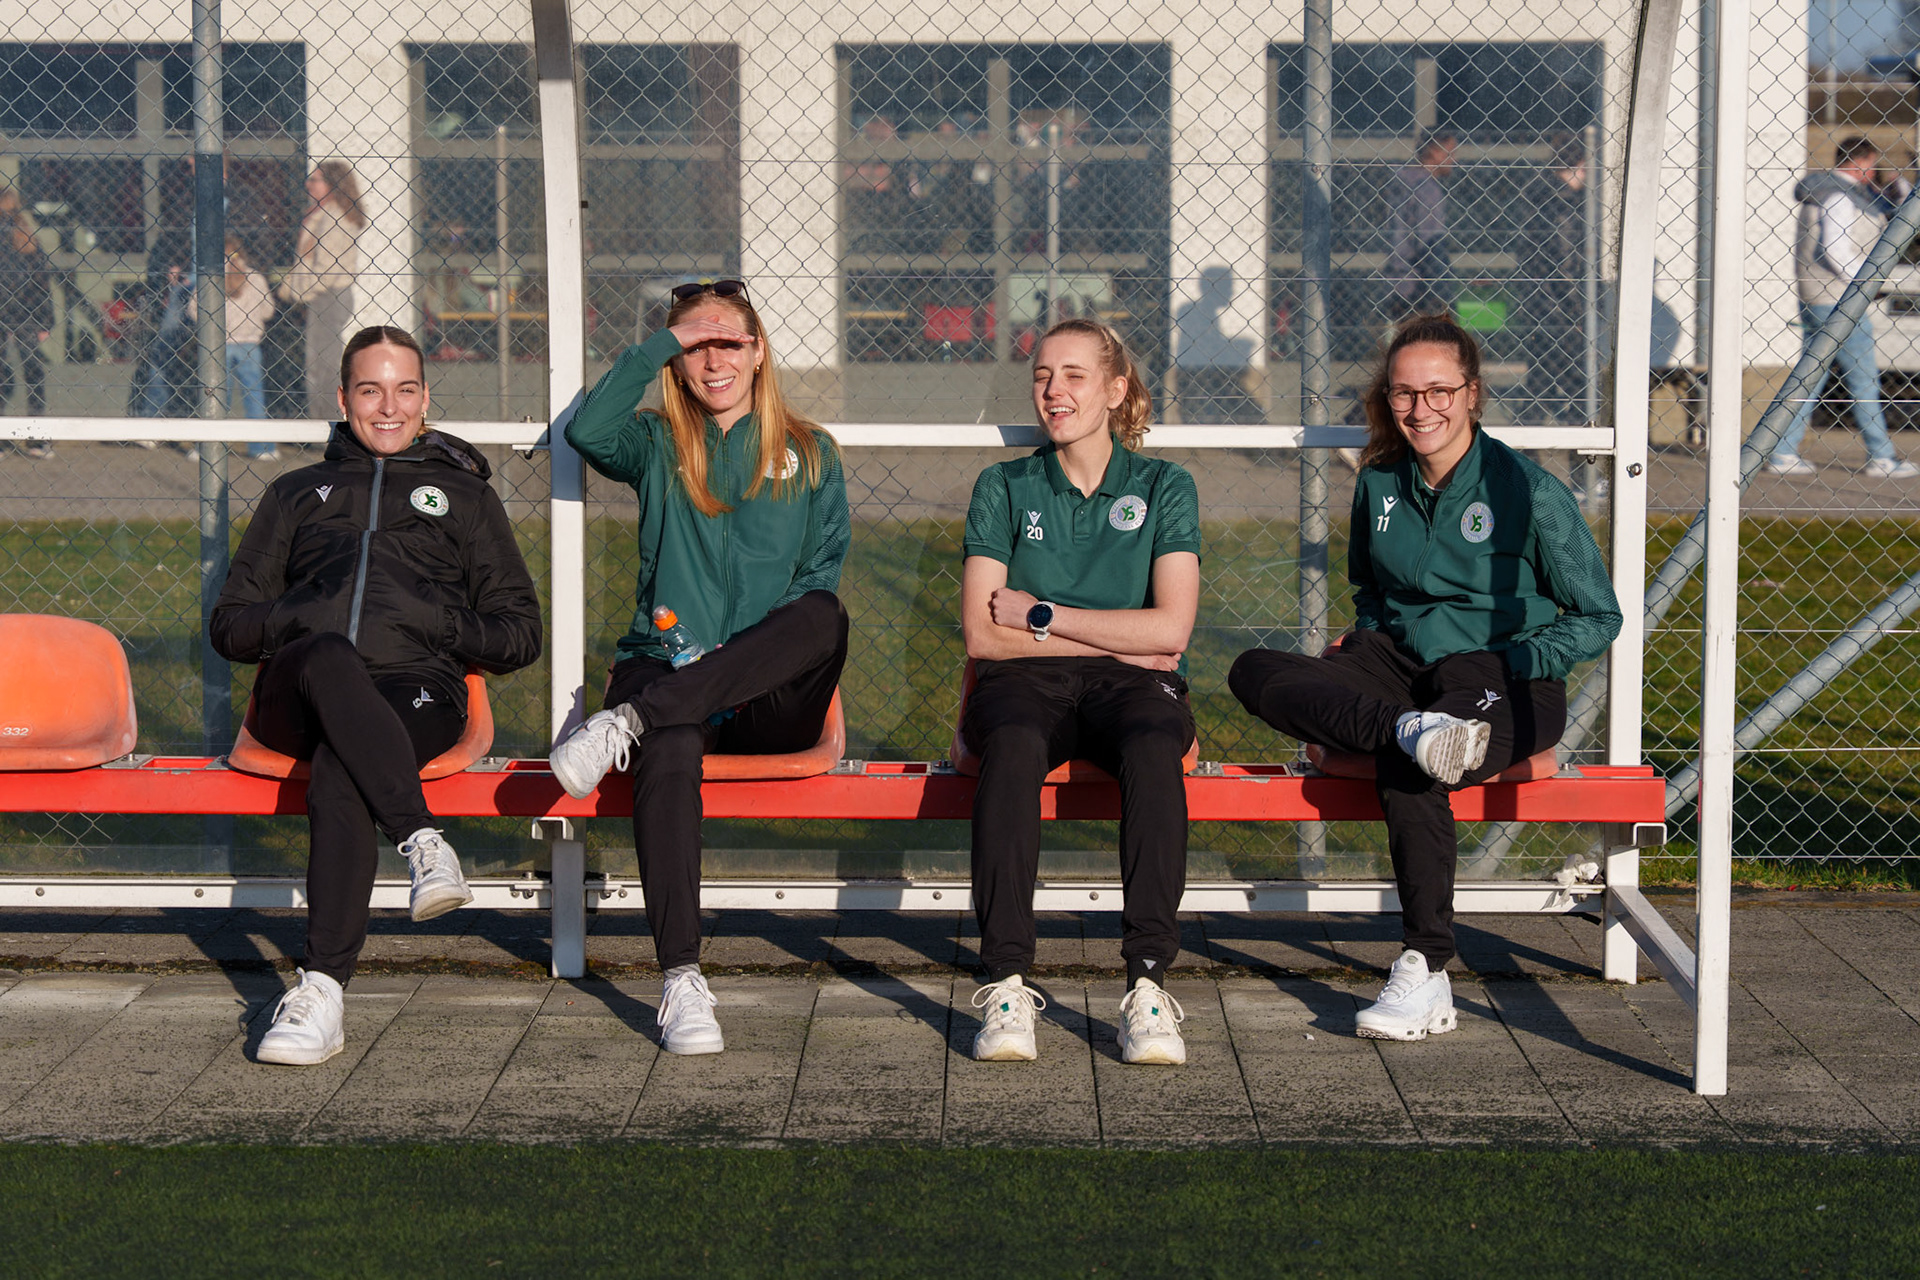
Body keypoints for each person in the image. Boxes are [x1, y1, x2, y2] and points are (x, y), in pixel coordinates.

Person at [1228, 314, 1620, 1042]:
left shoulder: (1527, 489)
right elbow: (1370, 591)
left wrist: (1518, 660)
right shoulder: (1379, 481)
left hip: (1502, 672)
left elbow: (1598, 616)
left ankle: (1425, 965)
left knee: (1418, 768)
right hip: (1404, 672)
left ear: (1472, 394)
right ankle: (1410, 728)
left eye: (1439, 390)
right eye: (1404, 393)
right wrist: (1368, 643)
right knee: (1255, 669)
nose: (1421, 408)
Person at [210, 325, 541, 1065]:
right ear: (343, 399)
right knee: (327, 654)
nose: (387, 407)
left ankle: (321, 993)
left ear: (425, 399)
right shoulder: (294, 492)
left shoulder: (466, 496)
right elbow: (230, 627)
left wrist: (430, 619)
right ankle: (423, 841)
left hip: (416, 691)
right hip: (300, 687)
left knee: (342, 765)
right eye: (370, 390)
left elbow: (520, 635)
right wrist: (308, 613)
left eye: (404, 390)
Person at [546, 278, 850, 1056]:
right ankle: (682, 978)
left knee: (824, 614)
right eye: (692, 345)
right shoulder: (654, 443)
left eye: (727, 341)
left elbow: (819, 576)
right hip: (663, 661)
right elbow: (588, 431)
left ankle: (628, 723)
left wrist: (730, 663)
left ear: (757, 352)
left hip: (765, 693)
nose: (711, 359)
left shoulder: (810, 451)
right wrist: (657, 346)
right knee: (674, 746)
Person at [959, 317, 1201, 1066]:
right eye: (1041, 376)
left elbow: (1173, 630)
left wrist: (1043, 613)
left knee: (1157, 746)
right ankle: (1005, 983)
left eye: (1072, 376)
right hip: (1021, 680)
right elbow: (981, 635)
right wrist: (1113, 631)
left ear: (1115, 389)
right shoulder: (1004, 484)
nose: (1052, 391)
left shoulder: (1164, 485)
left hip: (1130, 686)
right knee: (1013, 746)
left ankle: (1149, 985)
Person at [1772, 135, 1918, 478]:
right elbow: (1835, 249)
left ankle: (1781, 451)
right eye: (1872, 165)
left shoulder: (1827, 191)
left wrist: (1901, 192)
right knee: (1864, 378)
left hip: (1820, 296)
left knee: (1810, 376)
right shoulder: (1838, 195)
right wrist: (1867, 283)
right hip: (1839, 300)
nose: (1874, 172)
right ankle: (1881, 457)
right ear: (1862, 161)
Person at [279, 161, 366, 420]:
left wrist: (296, 292)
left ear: (332, 184)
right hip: (324, 295)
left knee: (322, 366)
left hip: (327, 296)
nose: (308, 184)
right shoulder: (324, 213)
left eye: (315, 180)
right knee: (319, 362)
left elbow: (325, 268)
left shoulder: (334, 217)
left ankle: (327, 425)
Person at [1518, 134, 1589, 429]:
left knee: (1542, 382)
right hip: (1560, 310)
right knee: (1573, 383)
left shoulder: (1540, 199)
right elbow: (1564, 265)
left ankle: (1525, 445)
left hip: (1541, 306)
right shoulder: (1564, 206)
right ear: (1581, 165)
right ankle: (1580, 449)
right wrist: (1577, 311)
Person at [1383, 130, 1458, 322]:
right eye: (1449, 153)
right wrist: (1441, 291)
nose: (1454, 160)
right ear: (1434, 151)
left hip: (1396, 280)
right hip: (1418, 285)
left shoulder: (1401, 181)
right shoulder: (1427, 188)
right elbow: (1429, 244)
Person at [0, 186, 52, 457]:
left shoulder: (22, 235)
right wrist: (46, 320)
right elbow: (42, 280)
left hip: (16, 312)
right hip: (26, 312)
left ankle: (15, 437)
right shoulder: (26, 234)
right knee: (33, 373)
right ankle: (37, 437)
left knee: (7, 374)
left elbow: (40, 277)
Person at [223, 235, 278, 459]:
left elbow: (194, 311)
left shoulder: (212, 279)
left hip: (220, 345)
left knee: (216, 398)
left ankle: (207, 447)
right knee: (254, 396)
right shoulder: (255, 278)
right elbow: (268, 311)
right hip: (250, 345)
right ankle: (262, 449)